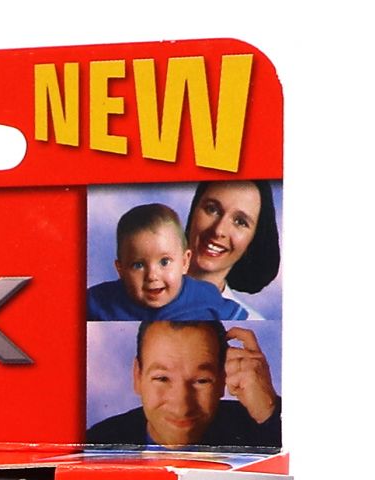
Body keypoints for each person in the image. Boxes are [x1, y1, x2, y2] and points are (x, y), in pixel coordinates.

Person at [85, 320, 279, 448]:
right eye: (162, 378)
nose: (182, 407)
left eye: (201, 381)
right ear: (138, 376)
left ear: (222, 380)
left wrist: (268, 412)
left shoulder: (260, 427)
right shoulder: (98, 443)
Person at [87, 203, 248, 321]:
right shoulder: (99, 302)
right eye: (138, 265)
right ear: (120, 270)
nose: (152, 276)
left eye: (164, 262)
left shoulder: (204, 296)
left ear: (184, 262)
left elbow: (240, 323)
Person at [186, 180, 281, 319]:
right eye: (212, 210)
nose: (219, 230)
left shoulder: (249, 319)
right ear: (194, 210)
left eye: (240, 222)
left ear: (253, 239)